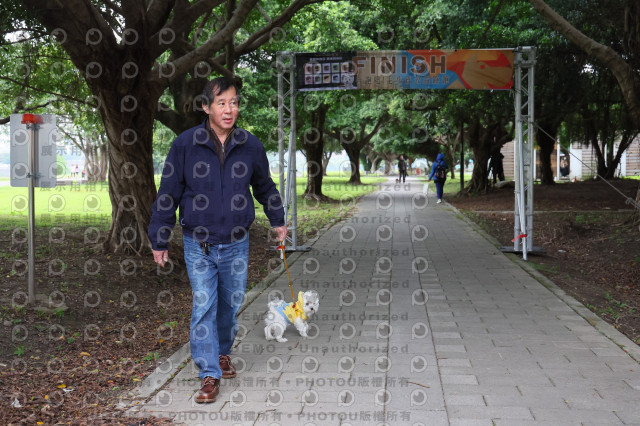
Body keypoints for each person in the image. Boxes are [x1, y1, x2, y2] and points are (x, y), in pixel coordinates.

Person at [148, 77, 287, 404]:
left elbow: (264, 186)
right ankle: (209, 373)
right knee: (204, 305)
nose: (229, 109)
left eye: (234, 102)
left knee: (229, 306)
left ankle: (223, 352)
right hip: (198, 243)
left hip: (237, 242)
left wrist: (277, 219)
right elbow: (168, 193)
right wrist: (160, 238)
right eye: (222, 103)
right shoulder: (185, 144)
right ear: (205, 107)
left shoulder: (250, 145)